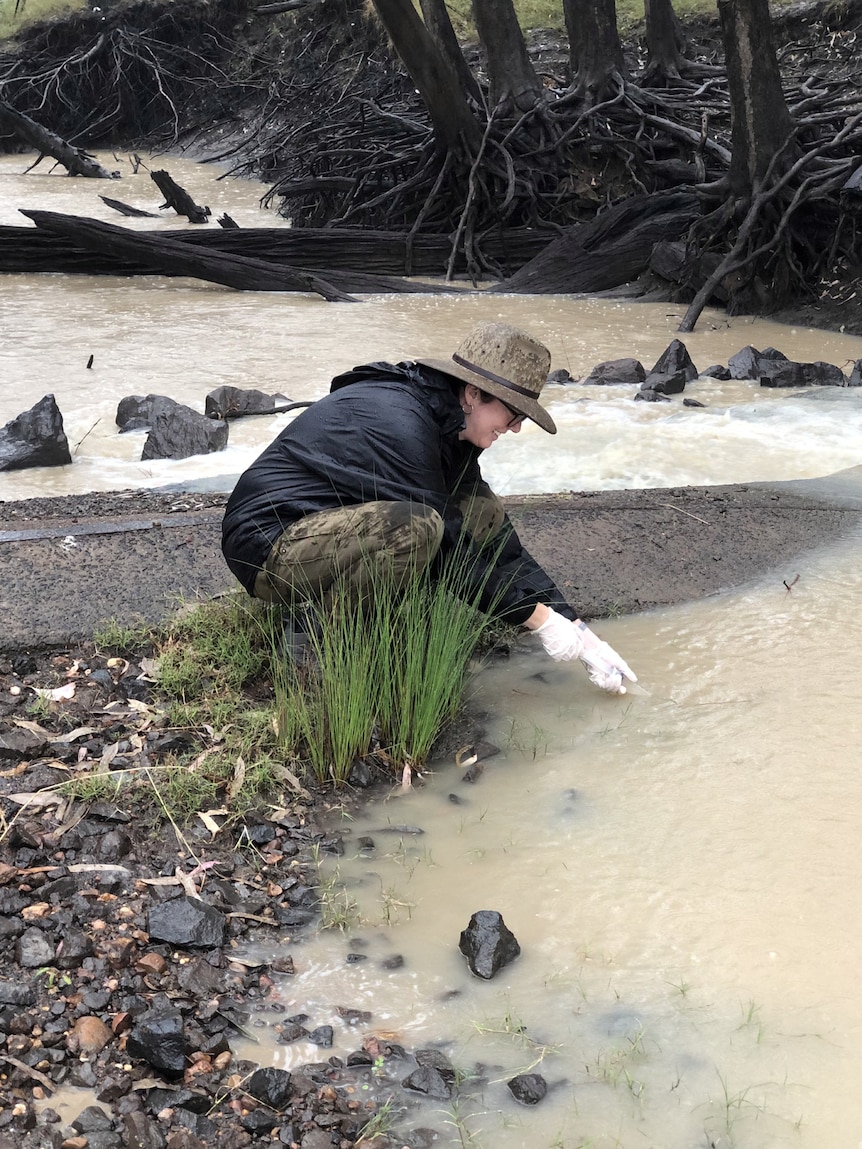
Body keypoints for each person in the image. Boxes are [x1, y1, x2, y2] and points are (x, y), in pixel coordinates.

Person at [221, 321, 636, 693]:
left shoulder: (447, 427)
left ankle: (353, 625)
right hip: (269, 546)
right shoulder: (405, 423)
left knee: (480, 508)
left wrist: (577, 629)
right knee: (418, 530)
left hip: (325, 527)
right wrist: (538, 620)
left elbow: (495, 541)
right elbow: (445, 555)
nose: (515, 428)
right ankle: (316, 643)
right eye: (512, 414)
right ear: (473, 393)